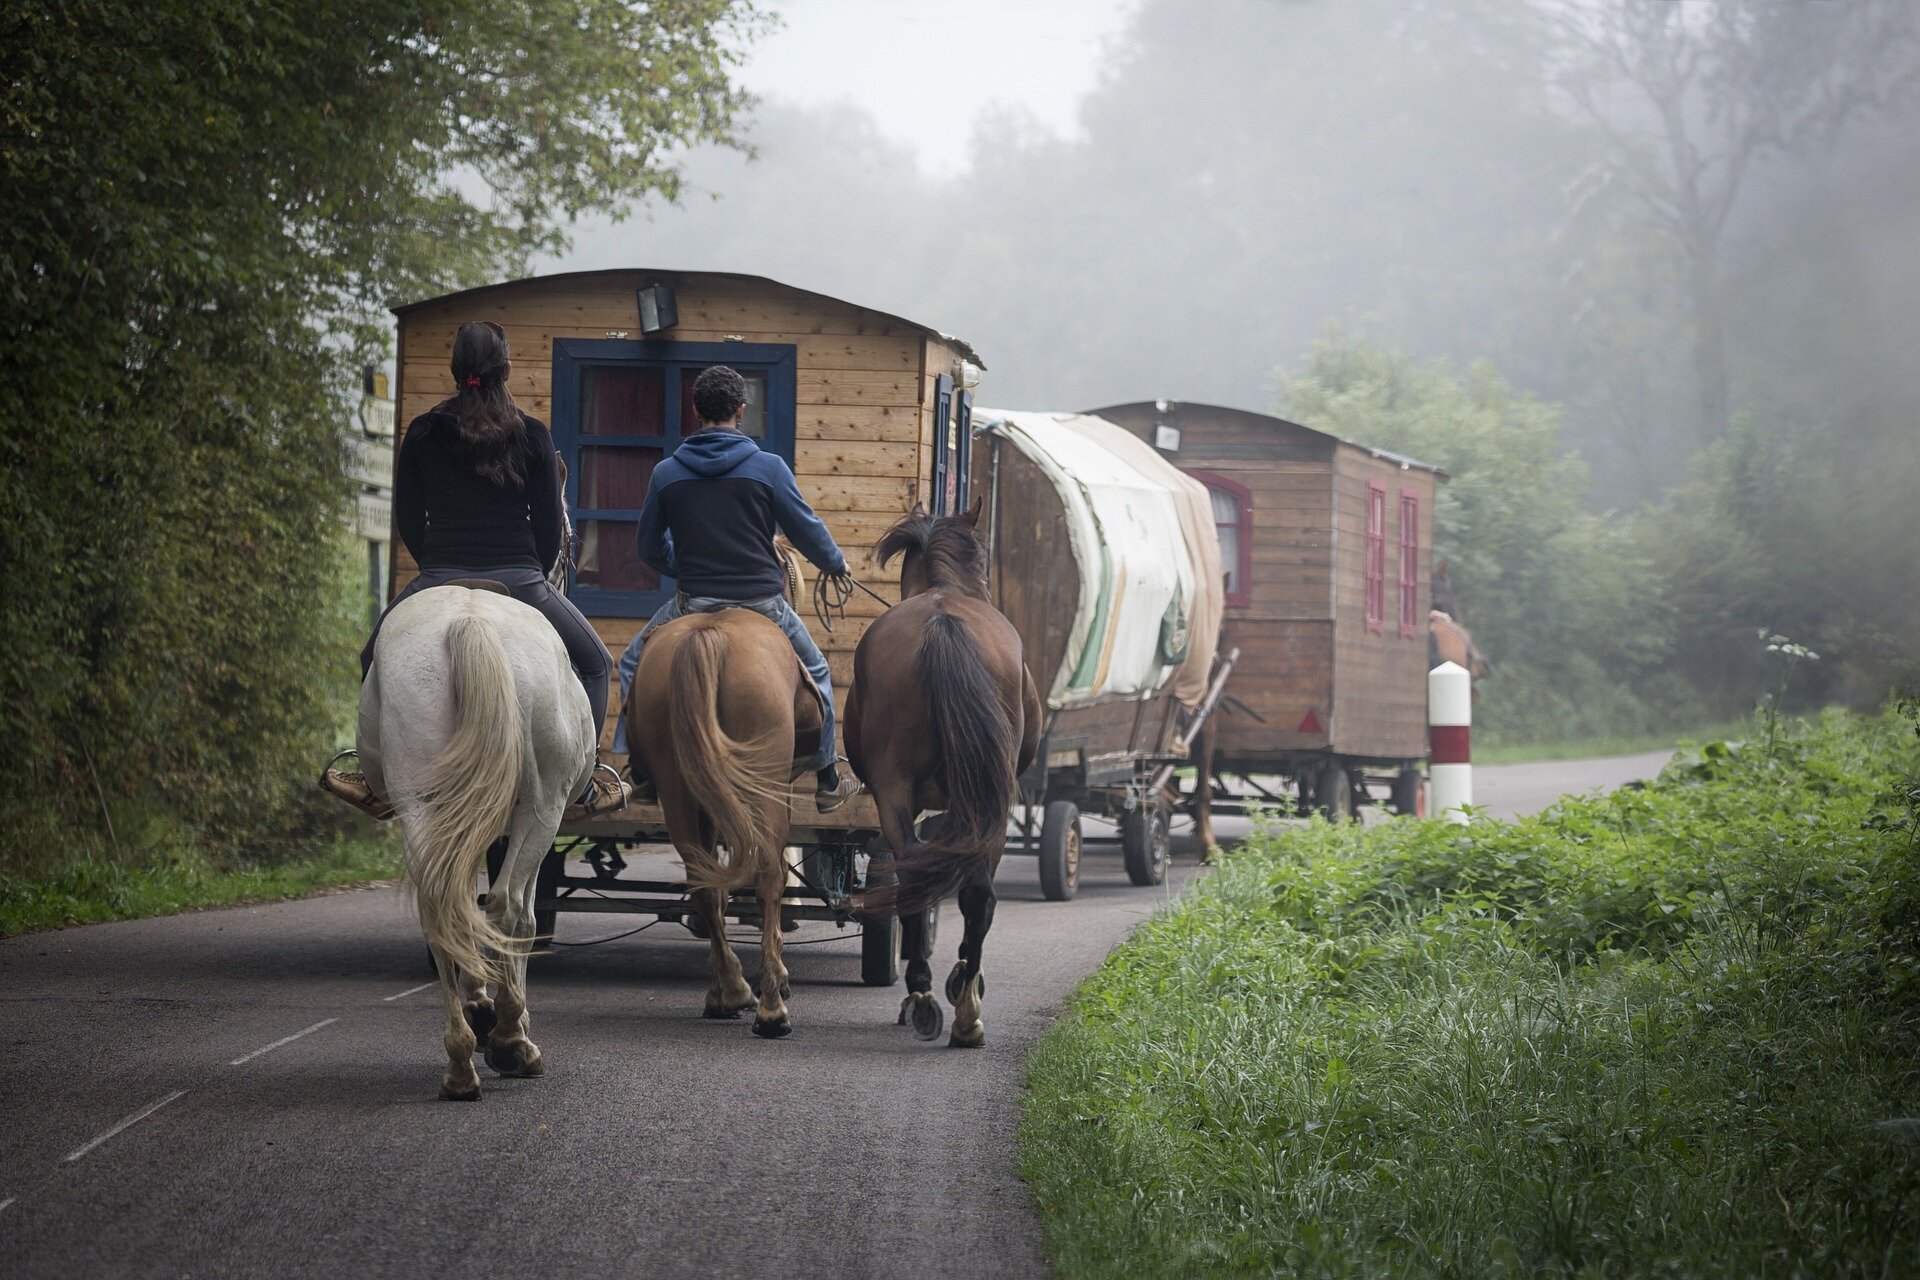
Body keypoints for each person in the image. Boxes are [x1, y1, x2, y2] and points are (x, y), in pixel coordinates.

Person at [322, 321, 628, 822]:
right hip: (522, 580)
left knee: (372, 655)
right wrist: (530, 567)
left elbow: (408, 518)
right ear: (506, 369)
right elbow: (552, 527)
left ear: (455, 370)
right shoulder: (532, 434)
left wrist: (435, 568)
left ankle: (377, 779)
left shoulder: (422, 432)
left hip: (439, 573)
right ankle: (586, 776)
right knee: (596, 663)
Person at [616, 364, 860, 811]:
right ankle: (827, 777)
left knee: (633, 662)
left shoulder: (666, 473)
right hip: (763, 604)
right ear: (741, 411)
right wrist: (834, 562)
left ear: (696, 411)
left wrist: (683, 563)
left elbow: (648, 547)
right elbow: (804, 528)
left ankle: (641, 768)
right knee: (818, 671)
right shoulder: (769, 467)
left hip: (692, 602)